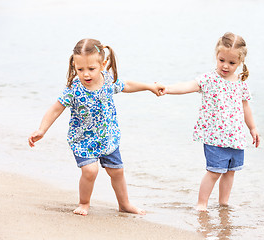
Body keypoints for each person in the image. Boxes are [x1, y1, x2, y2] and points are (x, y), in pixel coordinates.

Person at [28, 38, 165, 216]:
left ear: (103, 64)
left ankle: (124, 204)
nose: (86, 74)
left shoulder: (108, 80)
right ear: (74, 66)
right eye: (80, 69)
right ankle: (84, 203)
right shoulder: (73, 89)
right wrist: (42, 130)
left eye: (91, 69)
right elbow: (56, 109)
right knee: (90, 171)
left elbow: (127, 85)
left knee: (117, 171)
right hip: (83, 140)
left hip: (107, 137)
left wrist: (150, 86)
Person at [162, 32, 260, 211]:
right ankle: (202, 203)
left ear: (240, 63)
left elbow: (245, 107)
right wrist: (167, 89)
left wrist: (252, 128)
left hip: (236, 137)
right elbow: (187, 86)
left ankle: (224, 203)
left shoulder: (240, 82)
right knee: (214, 172)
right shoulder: (209, 79)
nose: (226, 66)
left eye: (232, 63)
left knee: (230, 172)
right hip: (215, 136)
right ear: (216, 56)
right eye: (222, 60)